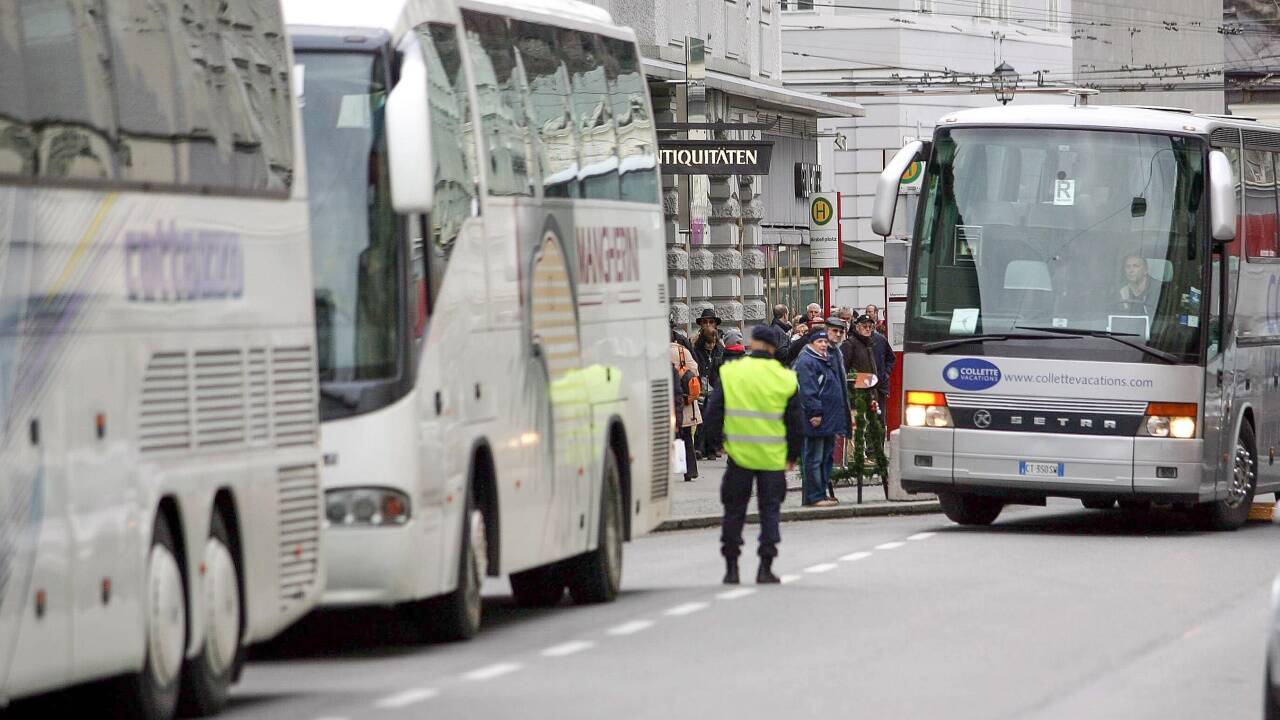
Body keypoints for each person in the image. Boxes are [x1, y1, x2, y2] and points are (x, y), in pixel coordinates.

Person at [703, 325, 804, 585]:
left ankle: (732, 568)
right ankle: (765, 567)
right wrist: (792, 455)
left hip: (739, 456)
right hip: (773, 459)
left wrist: (715, 444)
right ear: (772, 347)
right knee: (770, 512)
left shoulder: (732, 372)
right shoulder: (785, 378)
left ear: (753, 343)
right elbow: (795, 422)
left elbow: (714, 411)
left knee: (734, 512)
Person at [794, 328, 845, 508]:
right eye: (819, 342)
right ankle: (814, 496)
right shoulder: (808, 362)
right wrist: (815, 413)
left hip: (828, 418)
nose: (824, 345)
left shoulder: (825, 360)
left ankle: (821, 493)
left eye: (825, 342)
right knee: (814, 458)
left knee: (825, 458)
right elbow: (809, 391)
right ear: (811, 344)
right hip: (817, 419)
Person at [823, 316, 853, 500]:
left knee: (827, 455)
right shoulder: (820, 350)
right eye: (834, 330)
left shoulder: (837, 352)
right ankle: (816, 495)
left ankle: (823, 494)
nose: (837, 334)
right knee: (819, 456)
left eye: (840, 331)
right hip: (822, 412)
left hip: (834, 410)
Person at [670, 338, 701, 481]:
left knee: (673, 437)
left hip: (670, 400)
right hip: (686, 399)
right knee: (687, 437)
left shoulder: (658, 352)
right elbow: (695, 370)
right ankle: (690, 471)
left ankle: (678, 466)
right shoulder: (684, 351)